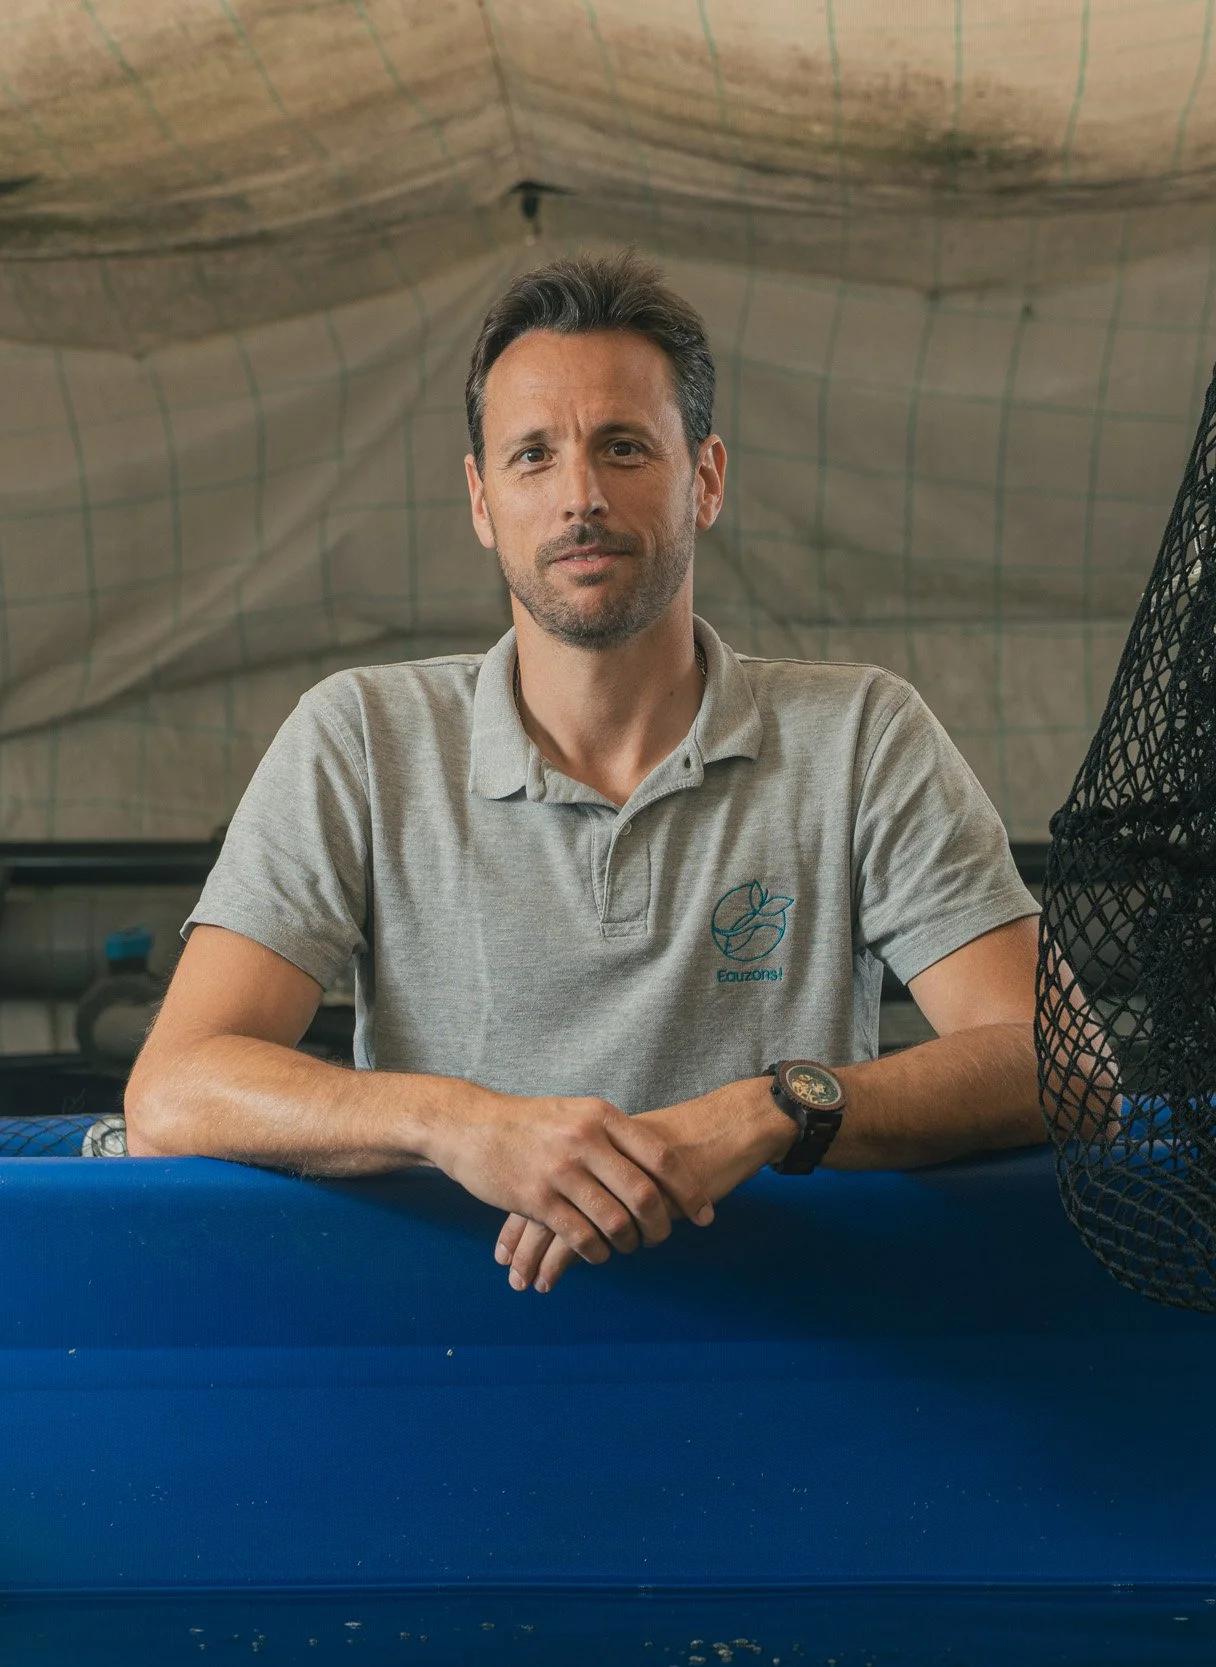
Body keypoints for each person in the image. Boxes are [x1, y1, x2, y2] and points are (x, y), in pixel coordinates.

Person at [125, 250, 1101, 1292]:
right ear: (480, 499)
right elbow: (175, 1087)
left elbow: (1062, 1064)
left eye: (623, 447)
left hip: (804, 1347)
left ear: (707, 479)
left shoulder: (859, 735)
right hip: (453, 1350)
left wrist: (770, 1106)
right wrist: (458, 1122)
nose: (578, 496)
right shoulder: (359, 738)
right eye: (532, 456)